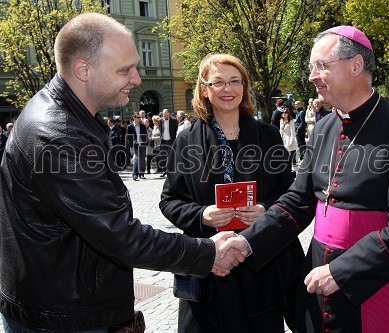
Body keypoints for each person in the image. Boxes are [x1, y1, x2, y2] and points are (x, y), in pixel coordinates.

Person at [0, 13, 244, 333]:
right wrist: (206, 252)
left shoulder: (66, 116)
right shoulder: (58, 135)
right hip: (64, 318)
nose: (137, 78)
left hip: (64, 306)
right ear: (83, 70)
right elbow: (119, 235)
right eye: (125, 69)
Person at [221, 25, 389, 332]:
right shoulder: (322, 128)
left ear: (356, 66)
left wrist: (343, 271)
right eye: (311, 68)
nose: (312, 76)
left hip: (380, 274)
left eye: (321, 66)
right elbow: (298, 200)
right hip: (320, 266)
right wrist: (247, 241)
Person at [159, 53, 304, 333]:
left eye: (235, 81)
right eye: (218, 82)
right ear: (204, 89)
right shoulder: (187, 140)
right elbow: (169, 200)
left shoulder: (268, 136)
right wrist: (202, 214)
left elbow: (291, 192)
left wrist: (264, 210)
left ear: (244, 87)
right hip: (211, 264)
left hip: (261, 265)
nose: (228, 89)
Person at [126, 112, 148, 180]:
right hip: (135, 145)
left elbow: (145, 135)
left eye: (140, 118)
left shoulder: (142, 126)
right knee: (136, 159)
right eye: (138, 117)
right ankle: (135, 174)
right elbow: (128, 137)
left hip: (142, 144)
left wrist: (146, 142)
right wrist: (131, 145)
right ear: (134, 118)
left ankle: (141, 174)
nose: (139, 119)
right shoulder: (130, 126)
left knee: (143, 160)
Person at [158, 108, 178, 177]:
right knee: (162, 157)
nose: (166, 116)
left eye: (167, 115)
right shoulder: (160, 121)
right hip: (163, 141)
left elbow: (176, 130)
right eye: (164, 115)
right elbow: (160, 130)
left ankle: (170, 171)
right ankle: (164, 171)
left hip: (171, 140)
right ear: (162, 115)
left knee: (171, 156)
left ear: (169, 114)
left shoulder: (174, 120)